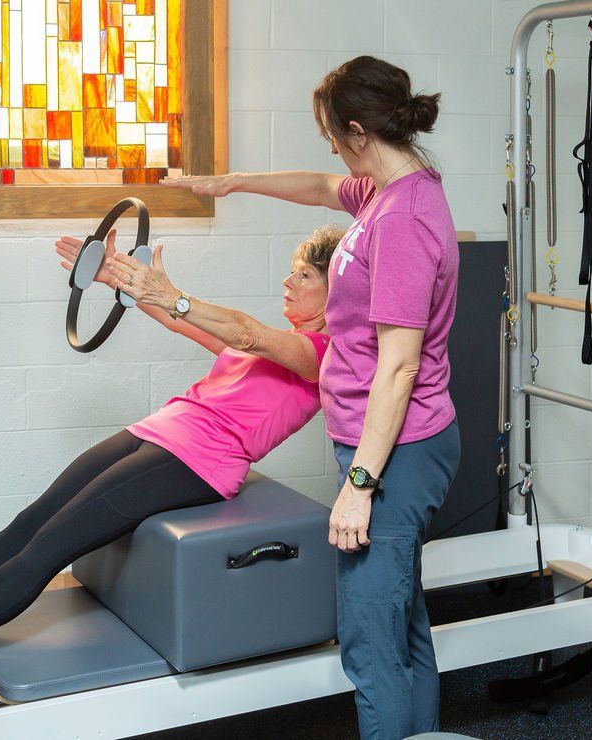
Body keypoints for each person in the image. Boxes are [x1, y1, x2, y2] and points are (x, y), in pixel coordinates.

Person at [0, 225, 344, 667]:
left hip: (197, 460)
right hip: (157, 432)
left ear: (337, 290)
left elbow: (244, 331)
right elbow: (178, 320)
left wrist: (176, 295)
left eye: (303, 275)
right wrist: (107, 272)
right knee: (35, 519)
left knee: (56, 541)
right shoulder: (274, 343)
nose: (288, 280)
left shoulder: (319, 357)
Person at [162, 55, 461, 740]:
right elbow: (320, 185)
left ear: (357, 129)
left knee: (368, 639)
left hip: (397, 453)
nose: (327, 144)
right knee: (400, 619)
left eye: (330, 130)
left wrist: (360, 484)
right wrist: (229, 182)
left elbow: (400, 368)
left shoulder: (406, 218)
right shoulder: (384, 192)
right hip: (385, 445)